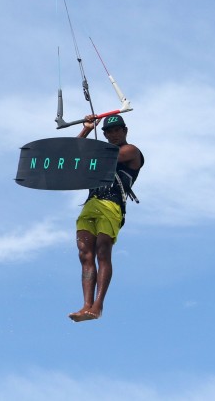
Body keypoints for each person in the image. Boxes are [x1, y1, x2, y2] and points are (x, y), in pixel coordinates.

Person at [69, 114, 144, 322]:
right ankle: (86, 306)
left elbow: (108, 157)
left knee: (102, 251)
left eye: (116, 130)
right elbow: (73, 153)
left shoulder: (131, 151)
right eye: (108, 132)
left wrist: (88, 151)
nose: (113, 134)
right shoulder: (100, 152)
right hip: (91, 204)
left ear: (125, 131)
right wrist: (86, 129)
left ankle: (98, 305)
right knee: (85, 254)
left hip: (112, 205)